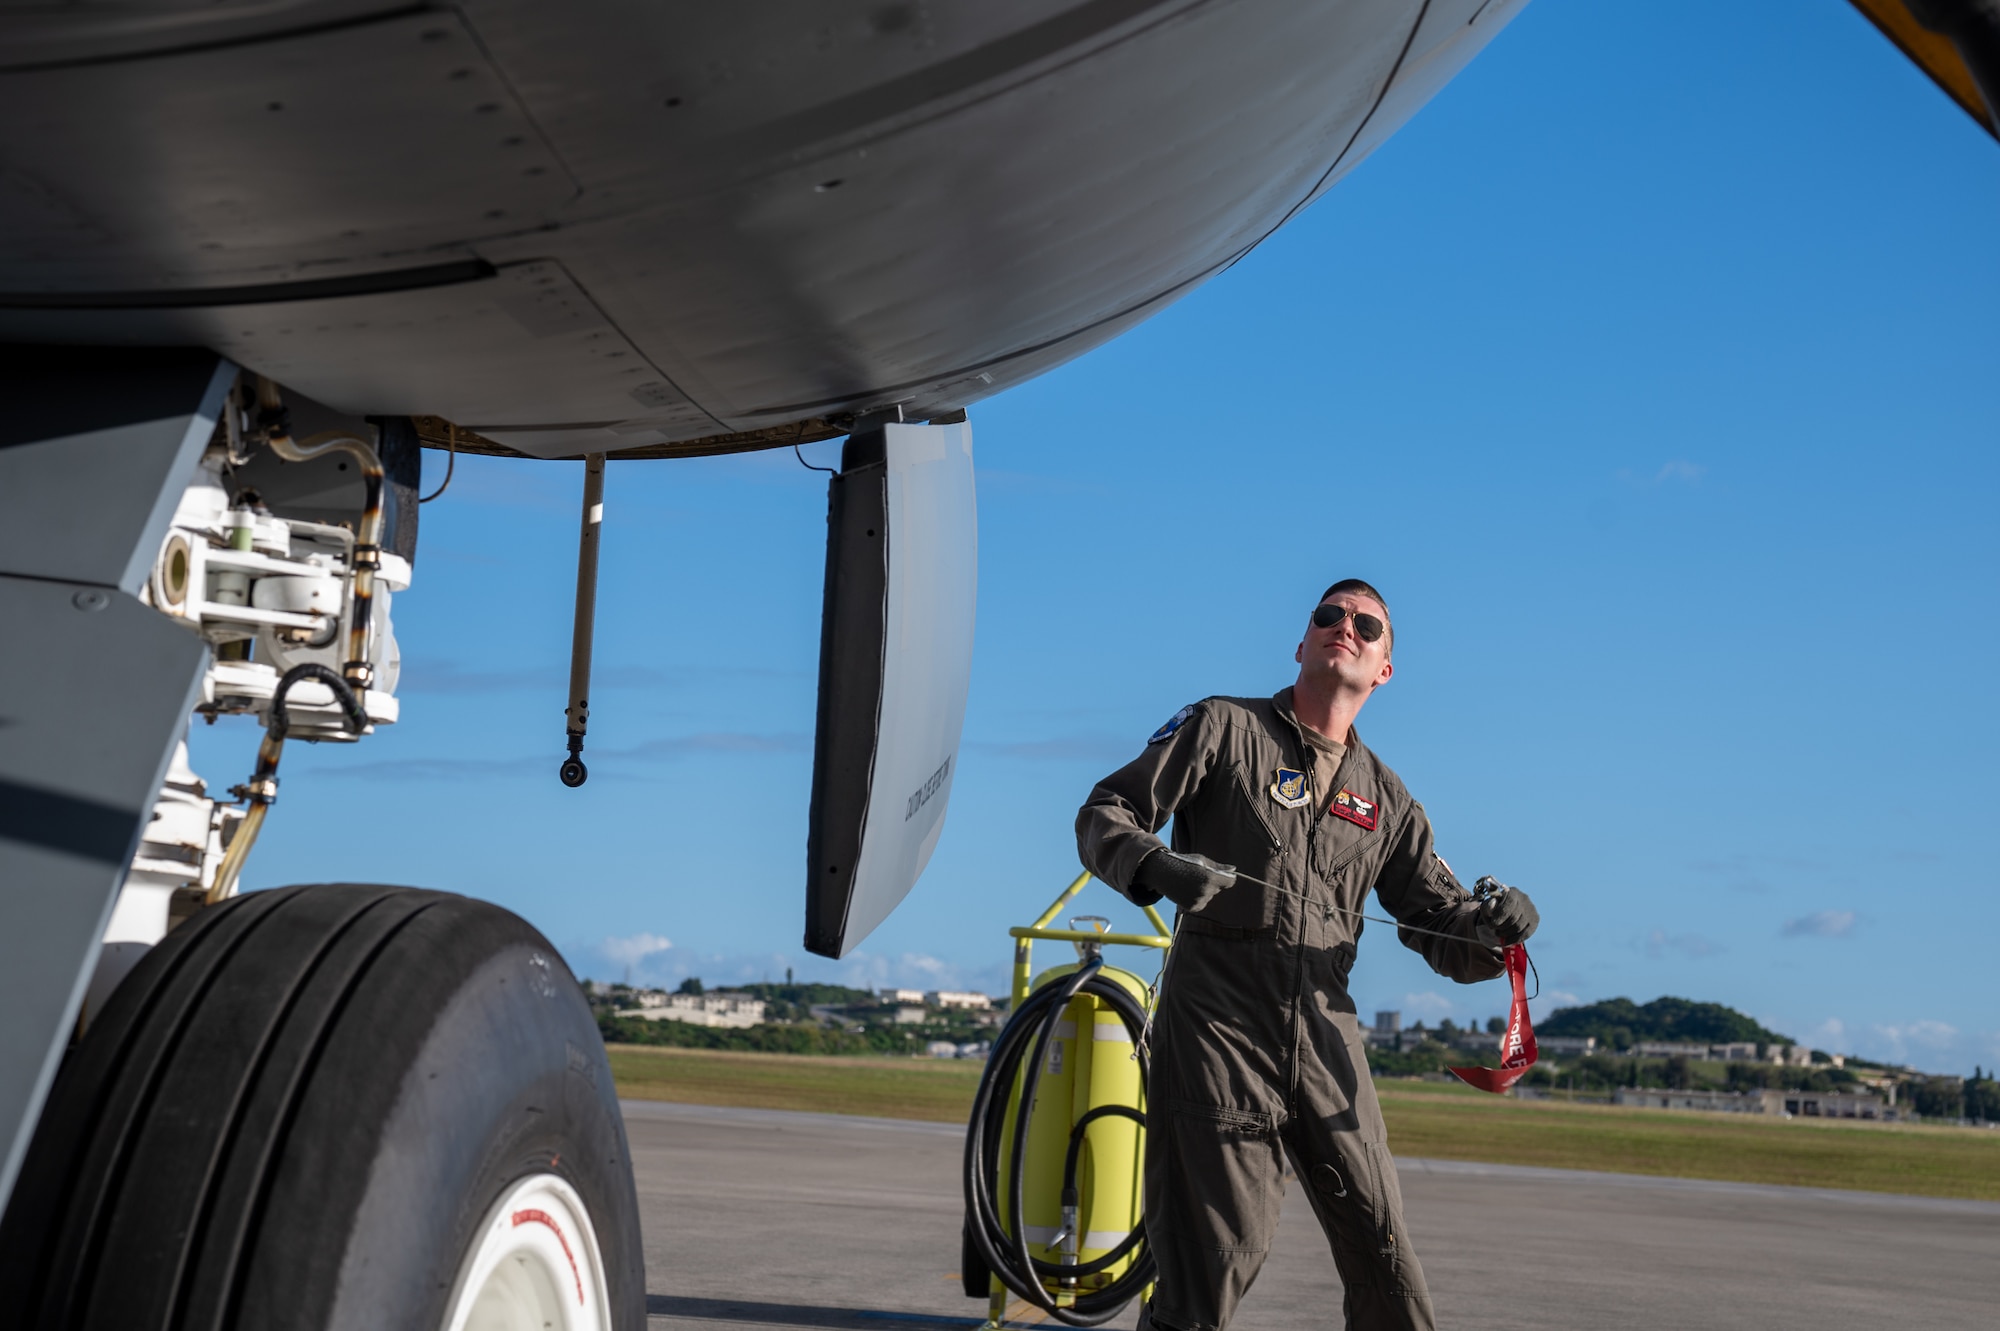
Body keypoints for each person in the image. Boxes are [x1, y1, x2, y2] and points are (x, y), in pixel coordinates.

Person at [1074, 579, 1539, 1331]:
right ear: (1301, 643)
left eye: (1367, 625)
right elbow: (1107, 810)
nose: (1344, 627)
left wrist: (1498, 930)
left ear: (1384, 669)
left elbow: (1438, 923)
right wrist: (1154, 864)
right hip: (1219, 1026)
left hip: (1327, 1035)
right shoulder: (1223, 728)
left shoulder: (1386, 798)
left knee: (1386, 1258)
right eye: (1329, 615)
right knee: (1216, 1254)